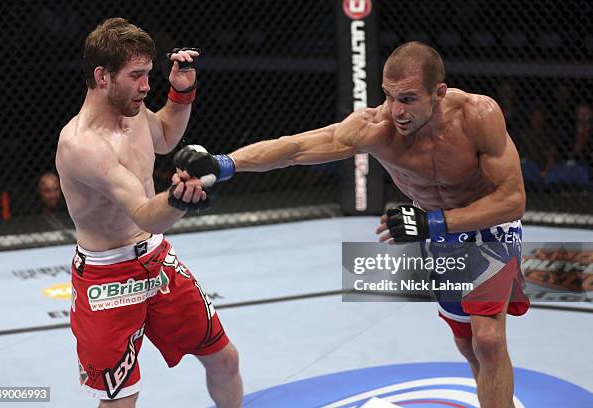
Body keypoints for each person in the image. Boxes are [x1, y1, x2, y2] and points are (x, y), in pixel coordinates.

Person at [176, 42, 529, 408]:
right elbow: (296, 148)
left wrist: (435, 222)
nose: (397, 111)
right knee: (467, 341)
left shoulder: (479, 116)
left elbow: (512, 200)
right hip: (435, 233)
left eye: (408, 99)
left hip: (487, 224)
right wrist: (225, 164)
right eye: (389, 97)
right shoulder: (378, 127)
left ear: (438, 93)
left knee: (488, 339)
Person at [55, 18, 242, 407]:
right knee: (122, 399)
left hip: (155, 259)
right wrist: (179, 198)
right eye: (136, 75)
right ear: (102, 76)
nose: (145, 85)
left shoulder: (133, 111)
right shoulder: (82, 145)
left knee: (224, 359)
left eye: (149, 74)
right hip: (107, 276)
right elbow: (143, 211)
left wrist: (181, 91)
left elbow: (166, 137)